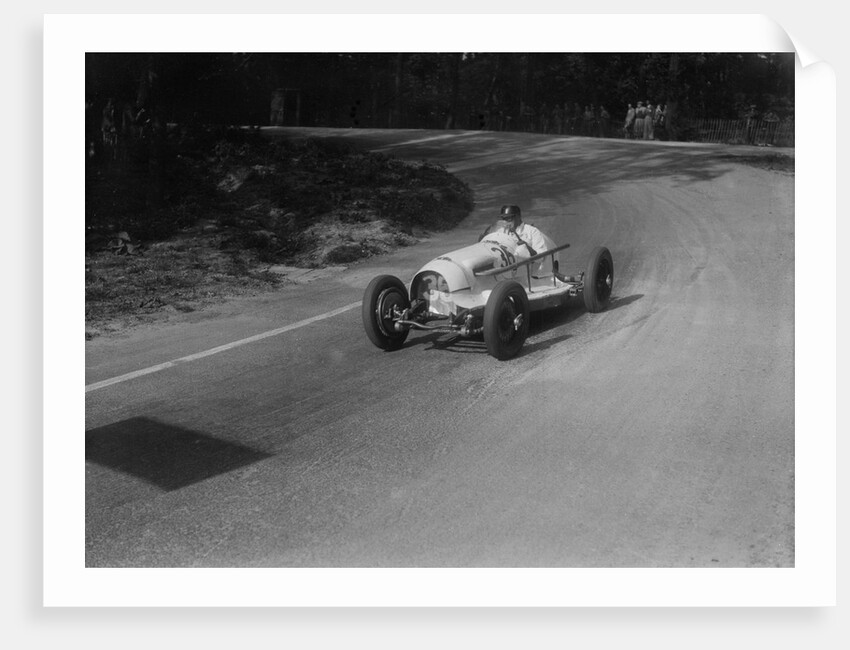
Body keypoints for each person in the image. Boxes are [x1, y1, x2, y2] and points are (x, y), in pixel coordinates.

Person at [479, 205, 548, 259]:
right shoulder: (500, 232)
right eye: (504, 218)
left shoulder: (532, 231)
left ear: (518, 216)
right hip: (507, 272)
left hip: (528, 272)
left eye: (509, 218)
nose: (506, 221)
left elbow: (541, 257)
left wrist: (527, 247)